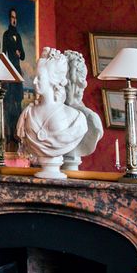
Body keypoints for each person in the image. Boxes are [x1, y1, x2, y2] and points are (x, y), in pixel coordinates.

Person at [16, 48, 88, 178]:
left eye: (39, 77)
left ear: (53, 80)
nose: (34, 81)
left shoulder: (76, 119)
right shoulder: (28, 114)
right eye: (34, 77)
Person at [1, 7, 25, 147]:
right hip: (10, 71)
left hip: (18, 71)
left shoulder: (19, 36)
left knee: (18, 101)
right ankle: (9, 134)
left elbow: (23, 56)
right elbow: (3, 53)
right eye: (12, 17)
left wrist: (19, 53)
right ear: (9, 19)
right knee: (9, 102)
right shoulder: (6, 35)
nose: (14, 20)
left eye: (15, 17)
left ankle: (18, 134)